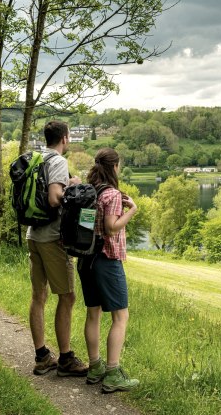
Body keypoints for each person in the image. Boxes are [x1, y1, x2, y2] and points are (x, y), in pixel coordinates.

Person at [28, 120, 88, 377]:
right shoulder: (58, 162)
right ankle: (65, 359)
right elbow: (54, 198)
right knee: (67, 296)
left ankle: (42, 356)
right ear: (65, 138)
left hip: (33, 233)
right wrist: (73, 186)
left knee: (38, 296)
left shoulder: (34, 157)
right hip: (52, 238)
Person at [78, 148, 139, 393]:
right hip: (106, 260)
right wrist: (132, 210)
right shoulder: (112, 194)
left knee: (92, 314)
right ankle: (113, 372)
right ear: (114, 167)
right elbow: (112, 228)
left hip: (86, 259)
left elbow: (85, 225)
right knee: (120, 317)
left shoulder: (88, 191)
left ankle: (94, 367)